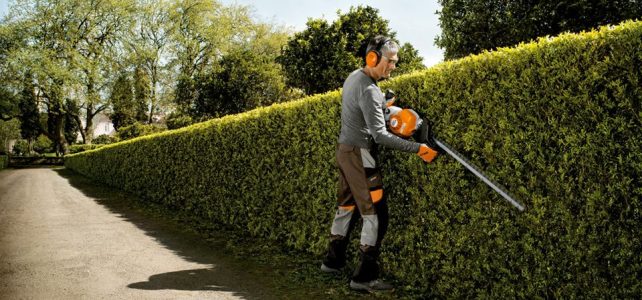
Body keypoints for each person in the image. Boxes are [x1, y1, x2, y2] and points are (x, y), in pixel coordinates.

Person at [320, 35, 438, 292]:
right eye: (391, 61)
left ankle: (333, 261)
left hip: (344, 151)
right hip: (360, 154)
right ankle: (363, 278)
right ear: (372, 58)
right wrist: (418, 148)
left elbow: (361, 109)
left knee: (347, 206)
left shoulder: (354, 77)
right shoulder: (370, 90)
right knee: (375, 214)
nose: (394, 67)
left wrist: (384, 107)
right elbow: (380, 136)